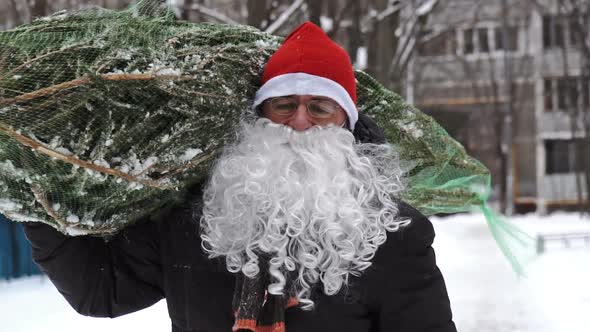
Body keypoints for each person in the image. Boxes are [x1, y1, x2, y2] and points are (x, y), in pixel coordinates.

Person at [23, 22, 457, 332]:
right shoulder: (195, 216)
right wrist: (32, 187)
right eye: (284, 105)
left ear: (346, 122)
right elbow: (102, 289)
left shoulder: (393, 232)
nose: (299, 122)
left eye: (320, 108)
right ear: (258, 117)